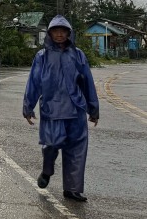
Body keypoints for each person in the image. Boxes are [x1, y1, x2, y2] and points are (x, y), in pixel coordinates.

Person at [22, 15, 99, 202]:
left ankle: (72, 189)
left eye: (63, 31)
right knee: (51, 145)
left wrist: (93, 109)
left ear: (68, 33)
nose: (59, 34)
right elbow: (34, 82)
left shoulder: (78, 55)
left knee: (77, 150)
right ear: (49, 34)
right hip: (52, 109)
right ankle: (47, 170)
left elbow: (87, 82)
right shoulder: (42, 56)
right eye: (55, 31)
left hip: (76, 109)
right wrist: (28, 107)